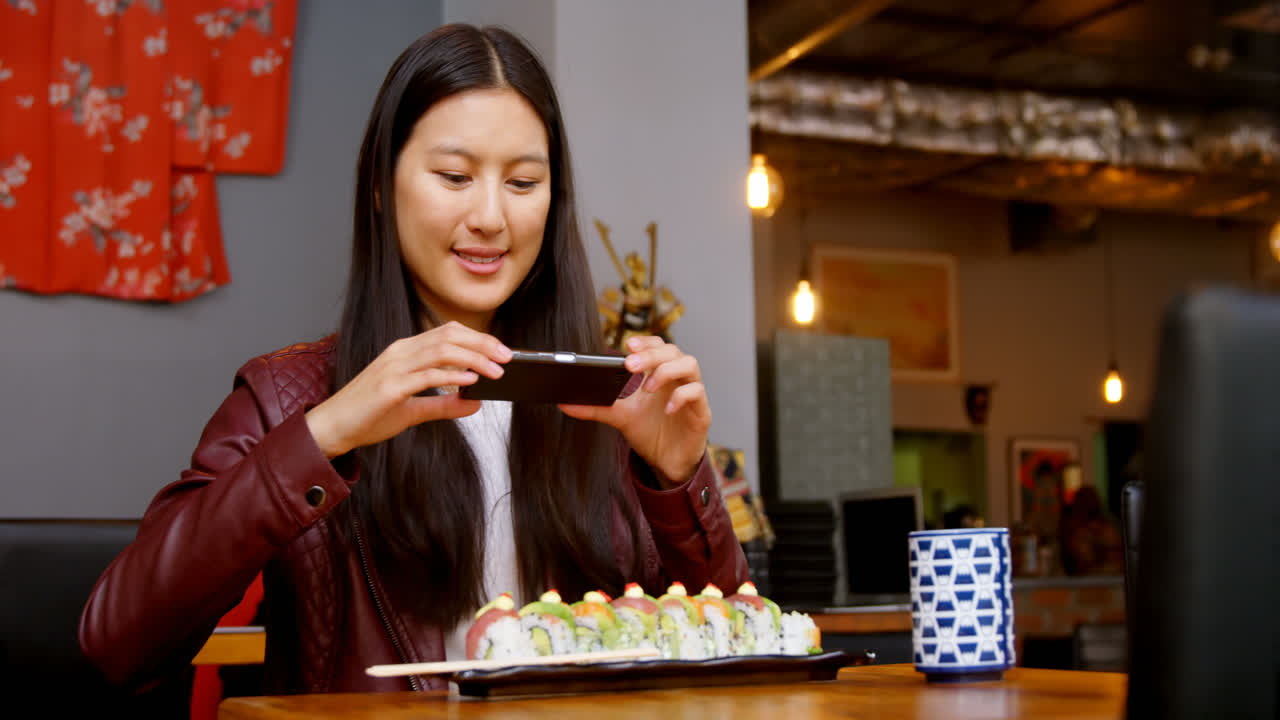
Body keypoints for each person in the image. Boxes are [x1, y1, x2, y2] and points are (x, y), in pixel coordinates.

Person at [79, 24, 748, 695]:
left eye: (522, 182)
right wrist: (327, 433)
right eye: (455, 176)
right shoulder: (289, 395)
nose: (491, 216)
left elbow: (737, 661)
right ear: (380, 185)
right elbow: (118, 642)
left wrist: (675, 478)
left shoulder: (611, 406)